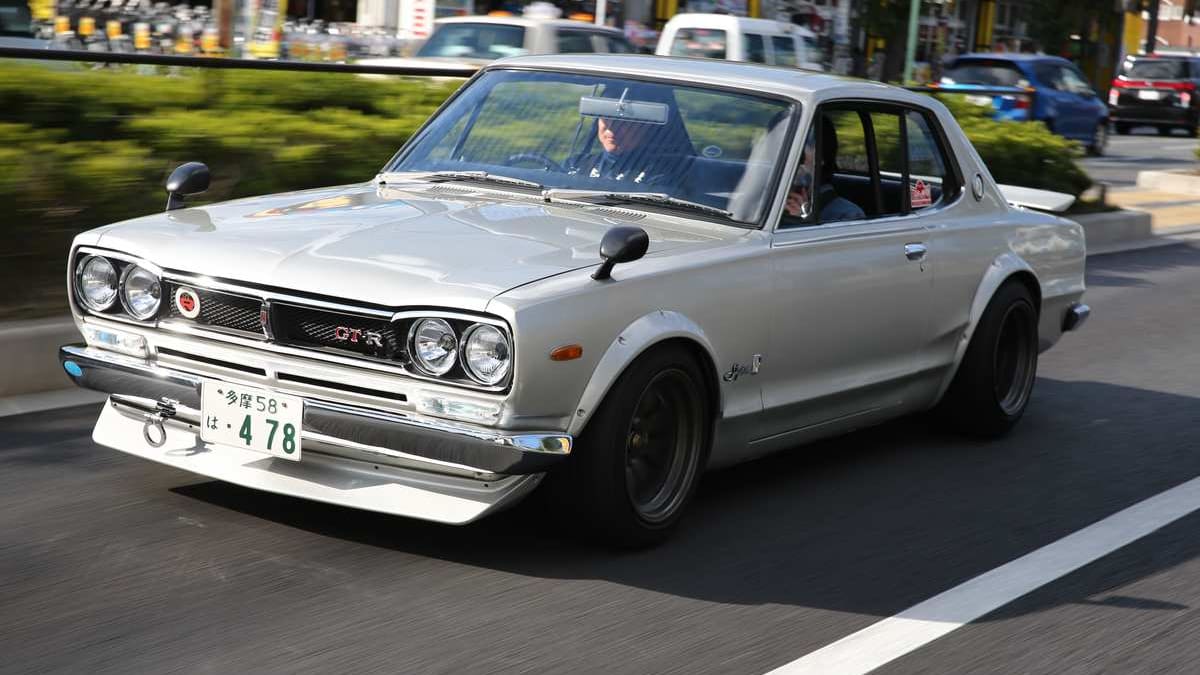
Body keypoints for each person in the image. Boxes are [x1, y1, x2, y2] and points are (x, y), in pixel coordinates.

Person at [568, 87, 694, 186]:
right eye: (606, 118)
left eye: (623, 121)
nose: (612, 127)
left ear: (646, 127)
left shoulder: (662, 175)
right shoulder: (576, 164)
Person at [785, 117, 864, 223]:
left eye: (799, 151)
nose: (787, 157)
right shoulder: (768, 200)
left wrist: (800, 219)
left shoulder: (847, 215)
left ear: (821, 156)